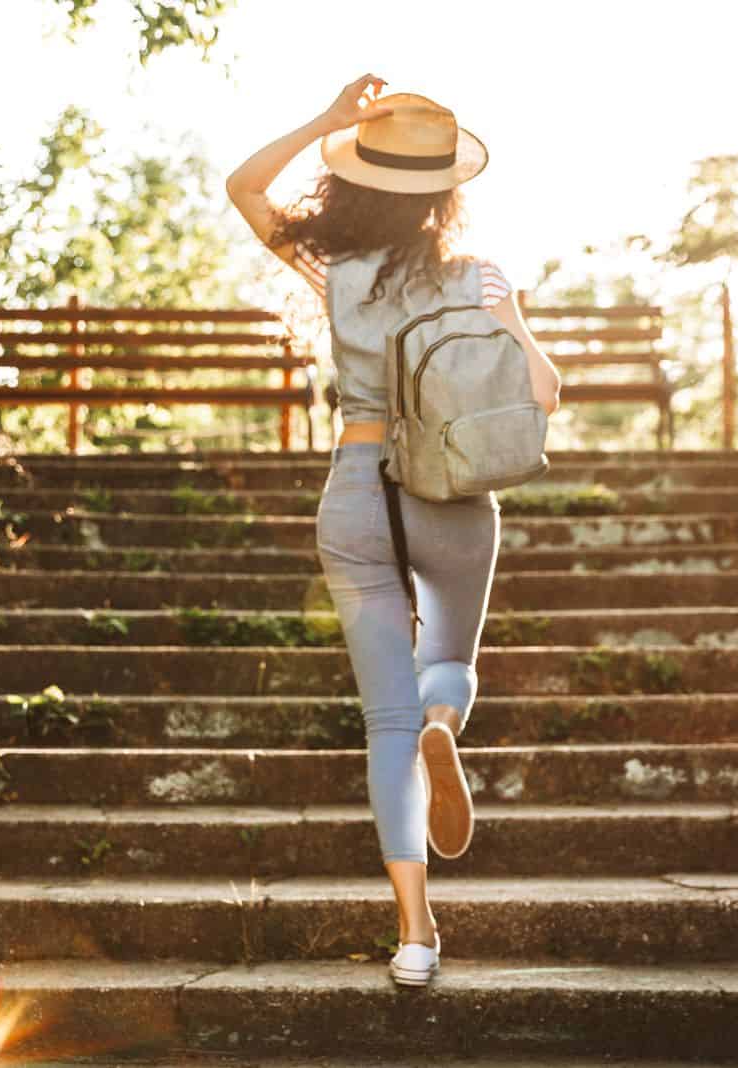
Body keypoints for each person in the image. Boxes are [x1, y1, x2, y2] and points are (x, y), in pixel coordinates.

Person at [227, 75, 561, 988]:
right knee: (446, 658)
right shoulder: (476, 277)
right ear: (443, 191)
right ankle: (444, 721)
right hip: (452, 491)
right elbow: (542, 396)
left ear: (354, 177)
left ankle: (416, 935)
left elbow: (244, 187)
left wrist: (328, 119)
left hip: (357, 490)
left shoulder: (333, 269)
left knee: (385, 721)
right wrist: (511, 318)